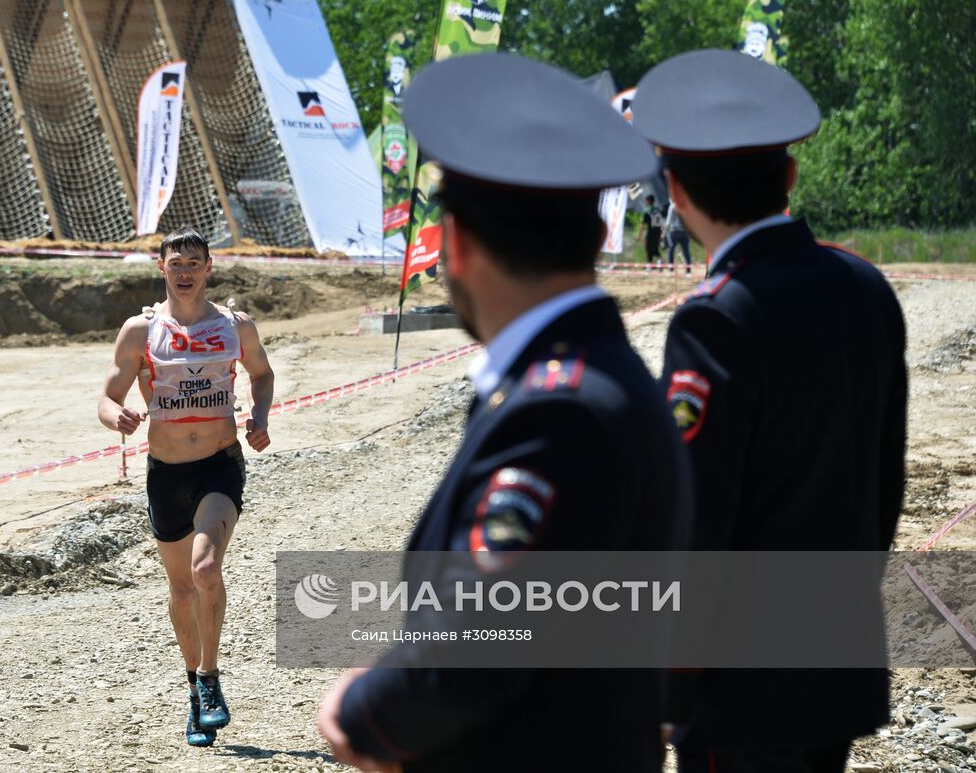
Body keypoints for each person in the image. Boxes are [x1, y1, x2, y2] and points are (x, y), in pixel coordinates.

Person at [316, 53, 691, 771]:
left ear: (454, 246)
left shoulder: (559, 409)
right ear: (594, 237)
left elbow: (477, 640)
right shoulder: (588, 378)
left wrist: (364, 714)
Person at [631, 48, 907, 773]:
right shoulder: (864, 287)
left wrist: (668, 687)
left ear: (674, 190)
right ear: (790, 176)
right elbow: (884, 488)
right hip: (834, 663)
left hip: (739, 693)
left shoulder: (716, 317)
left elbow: (696, 526)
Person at [98, 227, 274, 748]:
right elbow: (107, 396)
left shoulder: (234, 326)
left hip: (219, 465)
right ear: (162, 269)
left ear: (208, 268)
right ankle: (195, 689)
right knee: (180, 590)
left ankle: (211, 676)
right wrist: (116, 416)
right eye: (176, 263)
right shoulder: (140, 330)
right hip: (166, 473)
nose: (185, 272)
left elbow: (262, 374)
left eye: (194, 263)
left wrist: (260, 416)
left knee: (205, 568)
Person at [664, 200, 693, 273]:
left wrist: (664, 232)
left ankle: (671, 269)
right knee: (686, 251)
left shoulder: (672, 206)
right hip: (685, 232)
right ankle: (688, 269)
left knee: (671, 250)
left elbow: (668, 221)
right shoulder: (686, 205)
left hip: (675, 231)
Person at [638, 194, 664, 267]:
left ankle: (649, 265)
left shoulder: (646, 211)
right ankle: (659, 261)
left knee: (648, 248)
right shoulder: (658, 210)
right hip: (658, 232)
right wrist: (662, 233)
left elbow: (643, 225)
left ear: (648, 201)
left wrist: (639, 236)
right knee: (655, 248)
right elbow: (661, 223)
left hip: (650, 232)